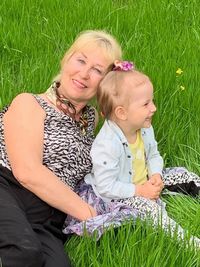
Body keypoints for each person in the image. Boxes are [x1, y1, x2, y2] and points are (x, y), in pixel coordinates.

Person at [0, 30, 122, 267]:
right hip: (7, 187)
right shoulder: (29, 103)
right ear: (67, 60)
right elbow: (27, 172)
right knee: (23, 252)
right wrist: (89, 215)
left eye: (97, 70)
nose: (84, 74)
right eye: (81, 60)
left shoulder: (91, 120)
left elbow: (131, 122)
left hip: (49, 214)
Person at [65, 60, 200, 247]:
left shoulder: (144, 127)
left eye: (151, 101)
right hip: (118, 194)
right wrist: (140, 191)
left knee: (184, 174)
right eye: (146, 104)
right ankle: (189, 244)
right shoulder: (107, 145)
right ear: (122, 113)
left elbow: (153, 155)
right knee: (151, 210)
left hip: (143, 181)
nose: (153, 108)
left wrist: (156, 175)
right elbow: (106, 186)